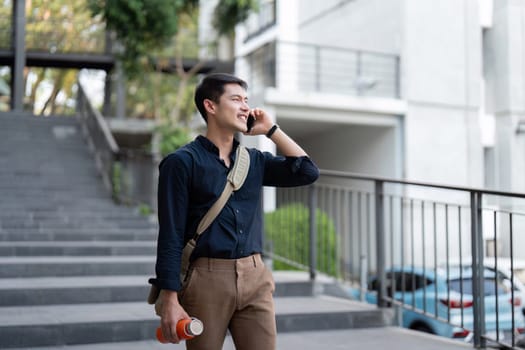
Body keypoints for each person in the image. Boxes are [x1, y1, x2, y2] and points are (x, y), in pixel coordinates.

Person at [149, 73, 319, 350]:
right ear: (211, 106)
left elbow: (308, 172)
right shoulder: (181, 163)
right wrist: (170, 298)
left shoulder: (254, 161)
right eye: (236, 99)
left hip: (255, 276)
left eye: (246, 100)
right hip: (206, 280)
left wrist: (271, 130)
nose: (245, 107)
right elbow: (170, 235)